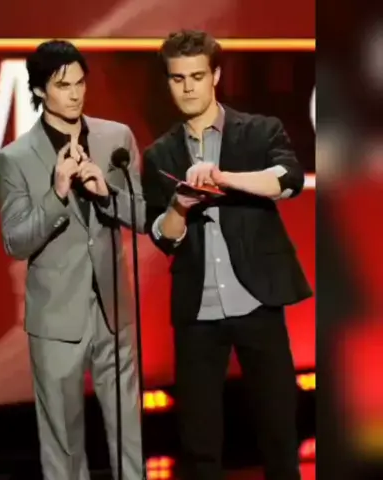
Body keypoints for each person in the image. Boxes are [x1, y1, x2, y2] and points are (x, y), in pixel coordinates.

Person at [141, 30, 313, 480]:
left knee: (279, 435)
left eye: (197, 76)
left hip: (258, 302)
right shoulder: (159, 154)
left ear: (215, 75)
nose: (188, 88)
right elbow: (163, 237)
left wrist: (223, 178)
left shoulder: (258, 130)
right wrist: (180, 205)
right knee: (199, 446)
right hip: (197, 312)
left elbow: (289, 179)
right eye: (177, 78)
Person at [0, 39, 145, 480]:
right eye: (63, 86)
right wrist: (57, 194)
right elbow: (15, 241)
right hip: (56, 317)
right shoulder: (15, 158)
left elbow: (143, 216)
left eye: (80, 83)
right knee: (63, 440)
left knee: (129, 433)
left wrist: (107, 194)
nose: (76, 94)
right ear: (39, 90)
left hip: (113, 309)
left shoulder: (116, 138)